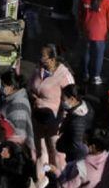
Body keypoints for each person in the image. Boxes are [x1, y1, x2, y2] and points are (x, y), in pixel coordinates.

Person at [29, 44, 75, 176]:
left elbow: (71, 99)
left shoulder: (64, 76)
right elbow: (30, 86)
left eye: (43, 56)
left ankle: (61, 179)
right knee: (41, 149)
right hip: (38, 117)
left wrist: (64, 122)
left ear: (52, 59)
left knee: (56, 151)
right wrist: (33, 96)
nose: (40, 58)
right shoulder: (38, 69)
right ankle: (43, 178)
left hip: (55, 121)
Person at [79, 0, 109, 85]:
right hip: (100, 33)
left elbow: (80, 15)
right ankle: (96, 76)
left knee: (87, 53)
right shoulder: (108, 1)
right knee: (98, 55)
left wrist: (80, 28)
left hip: (87, 31)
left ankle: (85, 74)